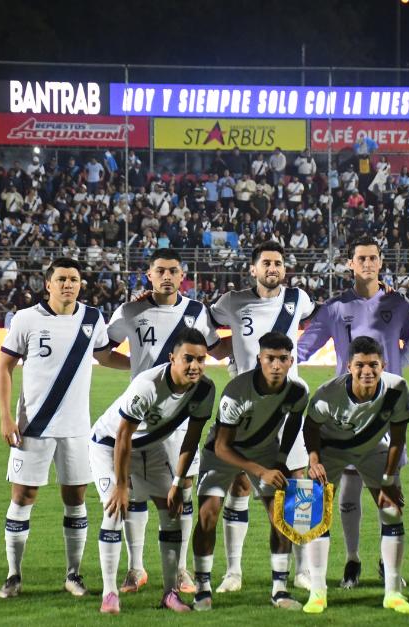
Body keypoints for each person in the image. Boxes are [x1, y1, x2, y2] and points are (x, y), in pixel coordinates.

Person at [0, 257, 130, 599]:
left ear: (80, 284)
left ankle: (73, 574)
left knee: (75, 498)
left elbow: (104, 356)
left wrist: (140, 365)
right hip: (33, 427)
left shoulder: (92, 318)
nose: (68, 284)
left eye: (73, 279)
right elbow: (4, 367)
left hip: (77, 428)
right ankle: (13, 575)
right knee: (23, 496)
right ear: (48, 284)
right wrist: (6, 416)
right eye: (61, 279)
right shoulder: (26, 319)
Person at [297, 235, 409, 589]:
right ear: (350, 263)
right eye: (360, 258)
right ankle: (352, 560)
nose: (367, 263)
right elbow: (303, 348)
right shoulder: (335, 307)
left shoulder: (398, 303)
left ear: (381, 261)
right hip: (346, 410)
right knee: (349, 491)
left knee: (388, 487)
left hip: (385, 405)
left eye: (372, 258)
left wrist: (397, 364)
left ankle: (387, 562)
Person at [103, 248, 224, 595]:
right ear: (149, 275)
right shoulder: (130, 311)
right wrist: (135, 368)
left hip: (181, 416)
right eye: (160, 271)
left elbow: (214, 350)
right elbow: (102, 352)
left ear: (182, 275)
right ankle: (135, 568)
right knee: (135, 491)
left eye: (173, 270)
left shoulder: (197, 312)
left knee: (181, 490)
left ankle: (181, 569)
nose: (167, 276)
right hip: (143, 416)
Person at [208, 241, 316, 592]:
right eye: (266, 263)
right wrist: (226, 352)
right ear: (253, 269)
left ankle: (303, 569)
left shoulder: (298, 299)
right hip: (245, 405)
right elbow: (205, 326)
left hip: (288, 405)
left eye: (278, 263)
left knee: (297, 482)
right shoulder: (232, 302)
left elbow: (317, 315)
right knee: (238, 482)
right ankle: (233, 572)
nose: (273, 268)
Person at [89, 328, 216, 615]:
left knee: (171, 512)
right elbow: (123, 436)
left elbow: (190, 439)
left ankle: (170, 593)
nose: (195, 366)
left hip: (151, 447)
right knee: (114, 510)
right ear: (172, 358)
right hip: (109, 445)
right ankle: (109, 594)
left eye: (201, 359)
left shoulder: (205, 390)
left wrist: (178, 482)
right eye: (188, 359)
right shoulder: (147, 385)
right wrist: (122, 486)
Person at [191, 332, 309, 612]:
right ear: (259, 359)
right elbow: (222, 446)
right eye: (270, 359)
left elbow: (293, 423)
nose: (276, 365)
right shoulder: (236, 391)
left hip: (264, 451)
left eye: (282, 359)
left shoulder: (298, 392)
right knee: (208, 513)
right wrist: (260, 471)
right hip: (221, 453)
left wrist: (281, 460)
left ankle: (279, 589)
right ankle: (202, 588)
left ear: (291, 361)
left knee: (280, 515)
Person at [302, 336, 409, 615]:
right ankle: (317, 592)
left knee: (392, 510)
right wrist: (314, 460)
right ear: (349, 367)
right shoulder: (329, 392)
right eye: (360, 365)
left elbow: (398, 438)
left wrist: (388, 480)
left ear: (383, 365)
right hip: (332, 450)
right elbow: (311, 426)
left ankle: (393, 592)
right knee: (314, 513)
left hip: (371, 448)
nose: (367, 371)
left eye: (373, 365)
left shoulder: (397, 388)